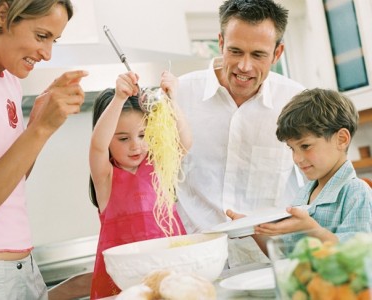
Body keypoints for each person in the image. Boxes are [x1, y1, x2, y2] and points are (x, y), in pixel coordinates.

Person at [0, 0, 88, 299]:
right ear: (2, 15)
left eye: (54, 40)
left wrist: (37, 121)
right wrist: (40, 129)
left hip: (22, 265)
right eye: (41, 36)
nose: (47, 53)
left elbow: (11, 184)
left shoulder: (9, 79)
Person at [175, 0, 305, 266]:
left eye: (258, 55)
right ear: (221, 43)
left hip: (271, 260)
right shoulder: (180, 95)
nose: (244, 66)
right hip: (198, 260)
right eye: (235, 51)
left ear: (277, 53)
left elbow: (320, 180)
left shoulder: (295, 100)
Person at [89, 71, 191, 299]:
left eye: (143, 135)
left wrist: (172, 100)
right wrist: (118, 99)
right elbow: (97, 146)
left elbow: (185, 142)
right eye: (123, 139)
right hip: (123, 281)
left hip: (170, 273)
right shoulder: (106, 177)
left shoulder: (159, 165)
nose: (136, 146)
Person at [251, 88, 372, 247]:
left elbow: (359, 255)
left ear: (341, 139)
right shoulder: (303, 194)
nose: (297, 158)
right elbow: (288, 254)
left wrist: (311, 229)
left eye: (305, 146)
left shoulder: (356, 192)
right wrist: (255, 231)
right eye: (292, 148)